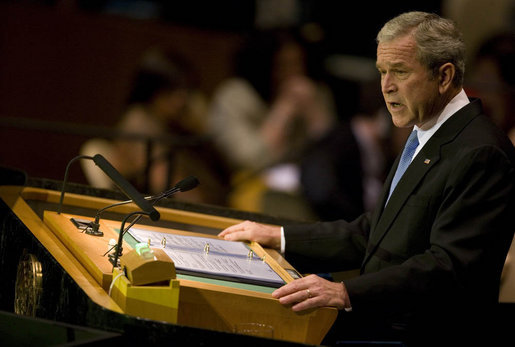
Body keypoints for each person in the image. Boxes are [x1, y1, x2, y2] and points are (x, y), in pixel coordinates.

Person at [218, 12, 515, 344]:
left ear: (444, 76)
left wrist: (346, 292)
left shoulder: (480, 152)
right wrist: (281, 236)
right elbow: (376, 233)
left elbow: (449, 266)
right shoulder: (426, 134)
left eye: (400, 72)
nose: (386, 87)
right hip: (385, 322)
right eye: (382, 72)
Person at [207, 28, 364, 221]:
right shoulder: (236, 96)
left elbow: (335, 154)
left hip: (308, 188)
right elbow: (252, 161)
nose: (294, 73)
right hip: (252, 188)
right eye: (284, 65)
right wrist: (284, 110)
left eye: (298, 63)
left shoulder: (315, 93)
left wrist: (315, 113)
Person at [81, 48, 230, 205]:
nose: (182, 100)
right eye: (172, 91)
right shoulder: (139, 122)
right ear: (153, 90)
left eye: (186, 90)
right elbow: (167, 184)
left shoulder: (174, 123)